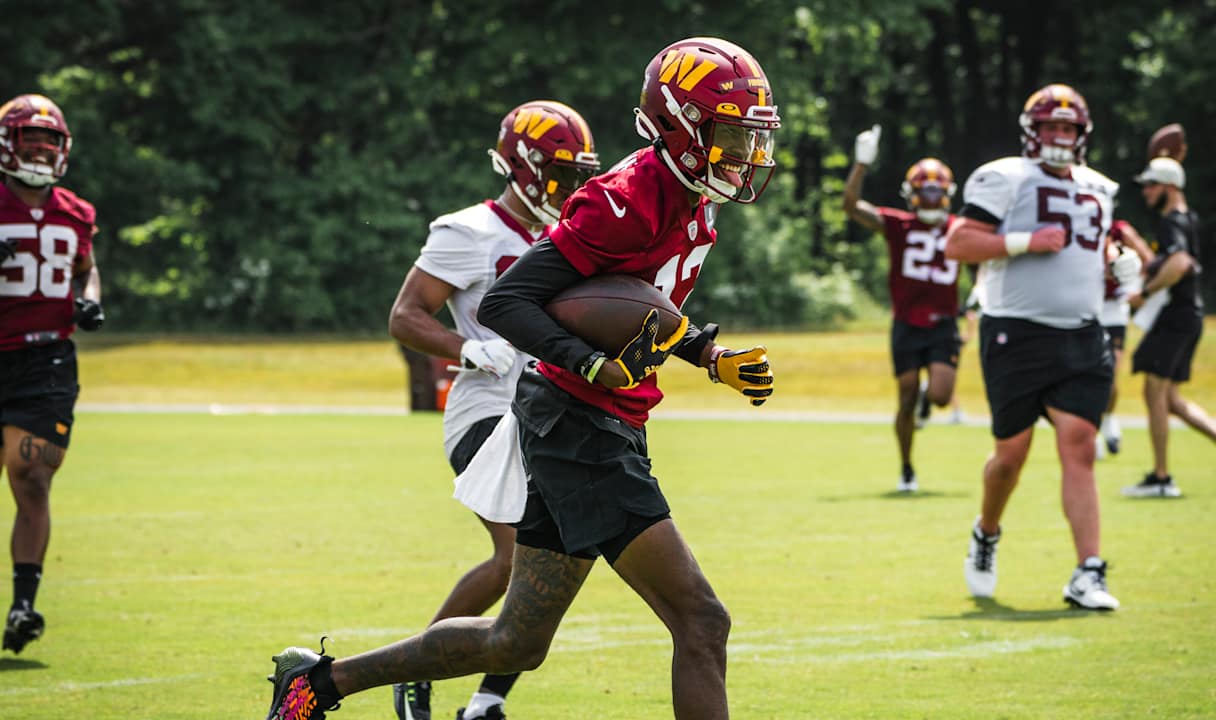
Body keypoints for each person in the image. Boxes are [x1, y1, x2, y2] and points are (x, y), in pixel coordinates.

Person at [264, 37, 780, 720]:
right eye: (731, 136)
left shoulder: (689, 193)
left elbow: (640, 310)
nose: (745, 154)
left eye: (752, 138)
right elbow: (509, 302)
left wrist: (708, 357)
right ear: (681, 127)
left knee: (518, 639)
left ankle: (318, 683)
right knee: (702, 622)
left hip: (602, 419)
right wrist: (588, 362)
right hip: (578, 425)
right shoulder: (622, 199)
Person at [384, 100, 599, 720]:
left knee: (554, 570)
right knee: (512, 559)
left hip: (552, 413)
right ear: (521, 167)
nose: (571, 187)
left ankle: (485, 703)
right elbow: (405, 315)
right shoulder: (469, 231)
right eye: (559, 174)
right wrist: (468, 347)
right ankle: (413, 672)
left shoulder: (570, 235)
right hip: (487, 414)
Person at [944, 83, 1122, 611]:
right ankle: (987, 530)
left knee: (1080, 443)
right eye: (1051, 128)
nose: (1059, 137)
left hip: (1083, 333)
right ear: (1032, 132)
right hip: (1016, 331)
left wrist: (1117, 260)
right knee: (1010, 456)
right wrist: (1023, 241)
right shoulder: (1005, 176)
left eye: (1068, 129)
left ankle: (1088, 572)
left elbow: (1094, 245)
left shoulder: (1100, 187)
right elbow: (959, 242)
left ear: (1082, 134)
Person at [0, 94, 104, 654]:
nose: (40, 150)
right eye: (29, 140)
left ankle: (23, 605)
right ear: (7, 145)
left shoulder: (76, 210)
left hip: (45, 361)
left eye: (49, 141)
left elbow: (87, 270)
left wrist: (88, 300)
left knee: (32, 477)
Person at [1123, 157, 1216, 497]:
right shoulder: (1189, 219)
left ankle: (1162, 478)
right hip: (1189, 316)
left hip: (1175, 316)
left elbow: (1179, 264)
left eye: (1151, 185)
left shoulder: (1171, 221)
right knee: (1170, 399)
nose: (1146, 191)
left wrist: (1145, 293)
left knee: (1154, 391)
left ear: (1168, 187)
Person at [843, 126, 962, 492]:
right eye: (923, 192)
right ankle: (907, 467)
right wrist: (861, 165)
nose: (929, 199)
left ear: (945, 194)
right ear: (912, 195)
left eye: (935, 192)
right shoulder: (899, 224)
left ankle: (929, 400)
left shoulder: (960, 228)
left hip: (943, 323)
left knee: (941, 395)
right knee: (906, 394)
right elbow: (851, 206)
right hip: (907, 322)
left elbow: (987, 260)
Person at [1095, 219, 1152, 458]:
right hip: (1086, 306)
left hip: (1114, 309)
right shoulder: (1074, 223)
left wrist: (1136, 285)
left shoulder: (1119, 230)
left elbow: (1149, 259)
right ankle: (1092, 432)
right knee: (1088, 373)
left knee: (1110, 374)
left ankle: (1108, 419)